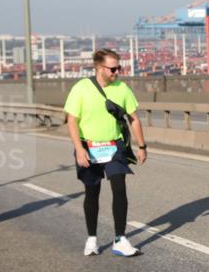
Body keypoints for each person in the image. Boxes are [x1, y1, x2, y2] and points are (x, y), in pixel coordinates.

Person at [63, 48, 147, 257]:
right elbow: (72, 120)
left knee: (119, 187)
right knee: (92, 192)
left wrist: (142, 146)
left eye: (119, 68)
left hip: (114, 146)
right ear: (99, 68)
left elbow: (134, 118)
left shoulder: (122, 88)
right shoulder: (81, 88)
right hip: (88, 147)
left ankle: (120, 239)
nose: (117, 72)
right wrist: (79, 149)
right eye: (113, 69)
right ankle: (92, 239)